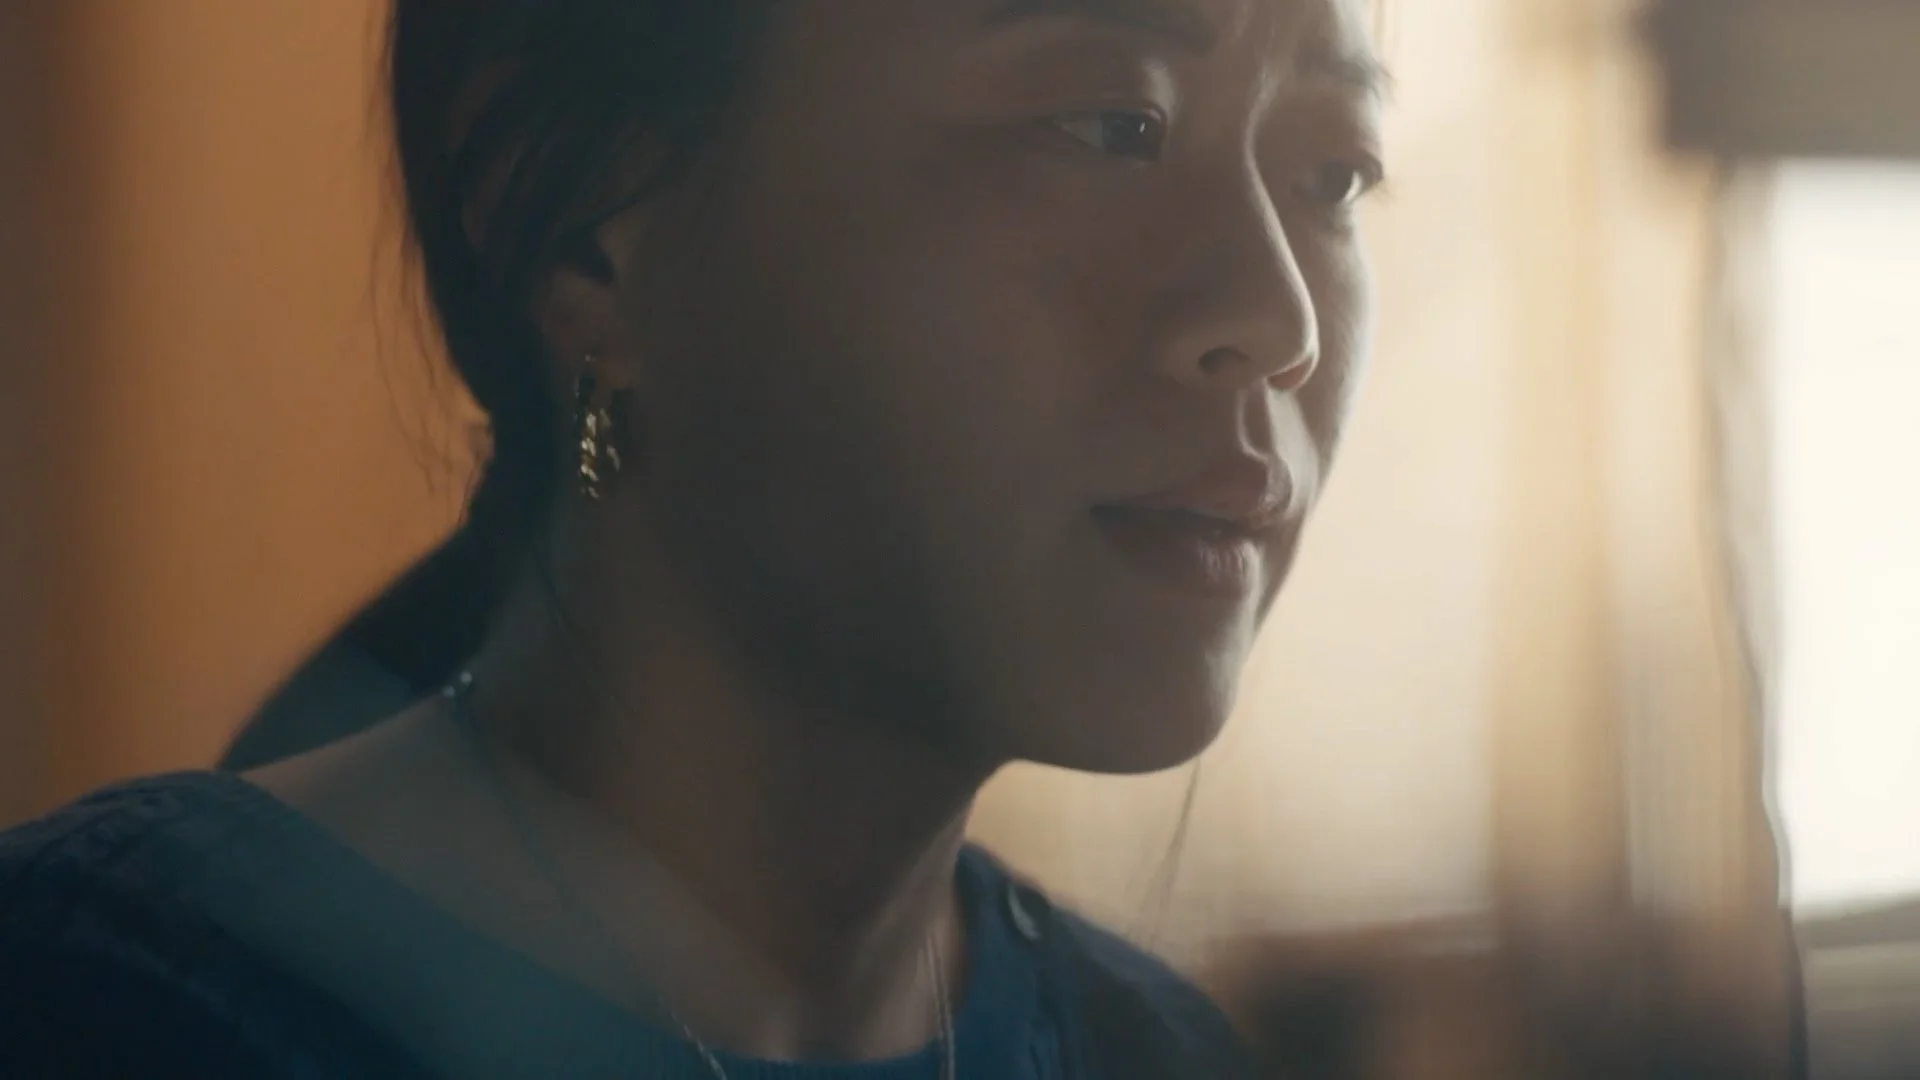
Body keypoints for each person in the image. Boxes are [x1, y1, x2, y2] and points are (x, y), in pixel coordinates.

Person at [0, 0, 1389, 1075]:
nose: (1278, 319)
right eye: (1113, 125)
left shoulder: (1150, 1055)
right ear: (601, 236)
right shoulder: (107, 1012)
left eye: (1333, 174)